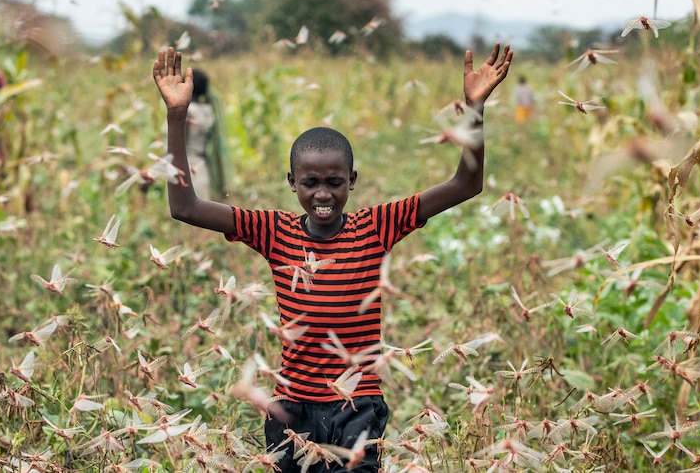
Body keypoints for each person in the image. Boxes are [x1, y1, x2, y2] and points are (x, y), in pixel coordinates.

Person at [153, 43, 513, 472]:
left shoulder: (378, 226)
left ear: (352, 181)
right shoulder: (273, 231)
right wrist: (177, 116)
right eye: (310, 183)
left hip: (357, 406)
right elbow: (185, 207)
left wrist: (475, 109)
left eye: (334, 182)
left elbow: (466, 184)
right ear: (292, 182)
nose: (323, 194)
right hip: (292, 410)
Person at [186, 68, 230, 200]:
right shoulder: (208, 110)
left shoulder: (186, 112)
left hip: (186, 167)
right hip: (201, 167)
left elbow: (178, 145)